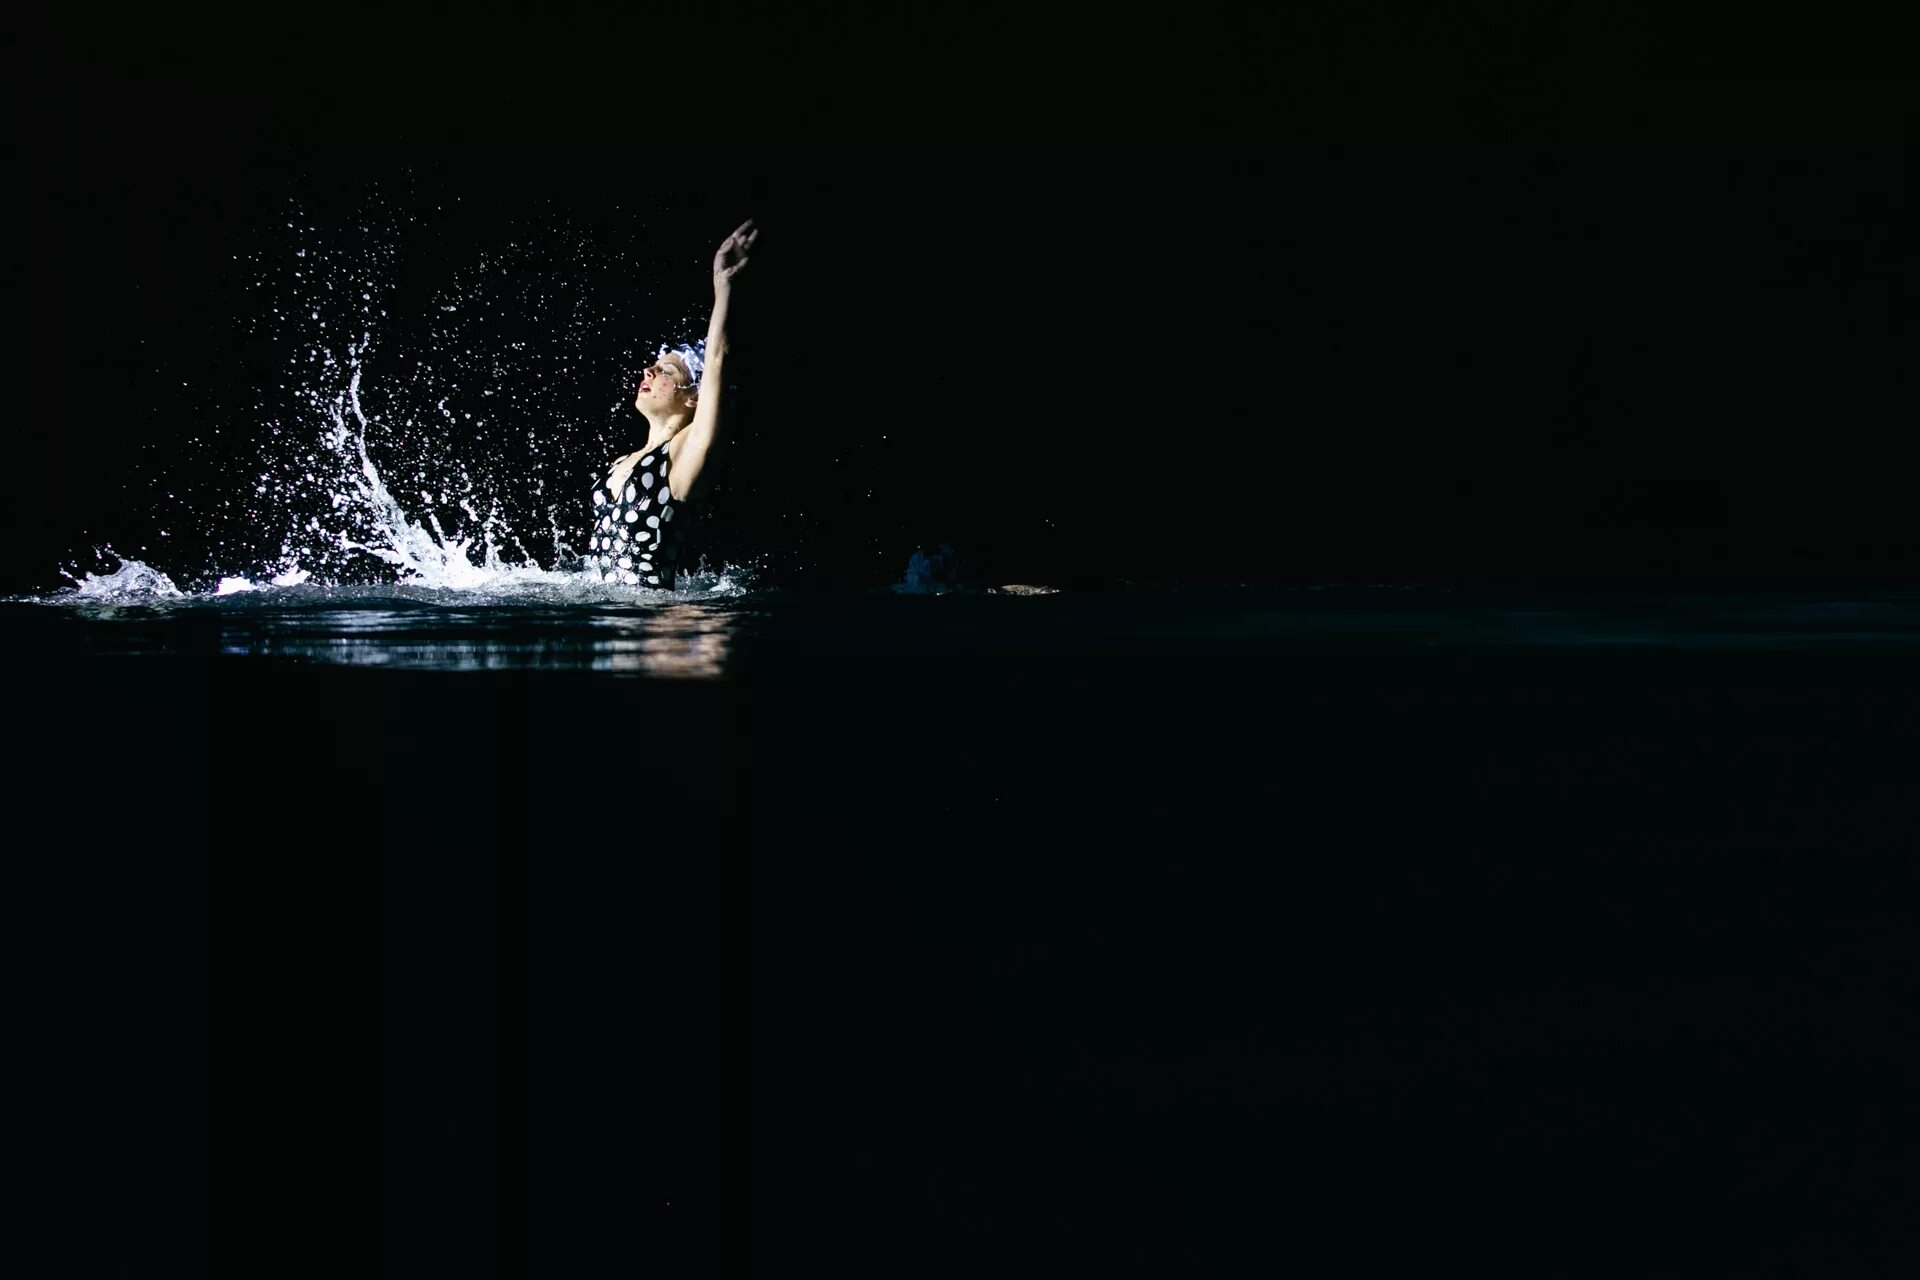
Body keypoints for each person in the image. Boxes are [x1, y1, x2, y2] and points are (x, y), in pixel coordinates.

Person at [586, 219, 756, 587]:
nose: (648, 371)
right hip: (605, 622)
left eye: (665, 370)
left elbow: (716, 361)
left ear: (694, 395)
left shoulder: (684, 454)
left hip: (651, 630)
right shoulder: (622, 461)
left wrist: (723, 287)